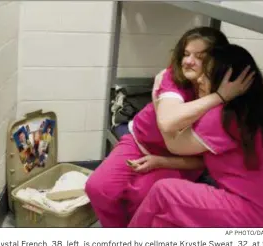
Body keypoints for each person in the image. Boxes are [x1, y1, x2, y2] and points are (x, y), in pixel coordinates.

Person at [85, 27, 251, 228]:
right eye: (186, 54)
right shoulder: (174, 77)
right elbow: (168, 121)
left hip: (178, 160)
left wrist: (161, 161)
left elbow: (204, 161)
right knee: (98, 188)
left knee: (142, 197)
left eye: (200, 56)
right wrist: (218, 97)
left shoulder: (226, 109)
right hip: (140, 143)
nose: (189, 61)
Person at [129, 44, 263, 228]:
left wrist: (159, 97)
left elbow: (172, 140)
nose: (200, 79)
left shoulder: (224, 117)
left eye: (207, 74)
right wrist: (160, 161)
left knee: (163, 192)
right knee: (161, 221)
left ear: (226, 81)